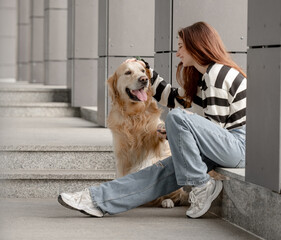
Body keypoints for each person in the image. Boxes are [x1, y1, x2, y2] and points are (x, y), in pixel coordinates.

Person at [58, 21, 246, 219]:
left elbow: (216, 127)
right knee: (157, 173)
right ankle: (96, 200)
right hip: (226, 146)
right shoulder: (206, 77)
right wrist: (144, 66)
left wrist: (182, 127)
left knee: (176, 117)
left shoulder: (217, 74)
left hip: (238, 146)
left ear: (197, 46)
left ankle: (201, 185)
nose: (178, 53)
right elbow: (173, 98)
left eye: (181, 46)